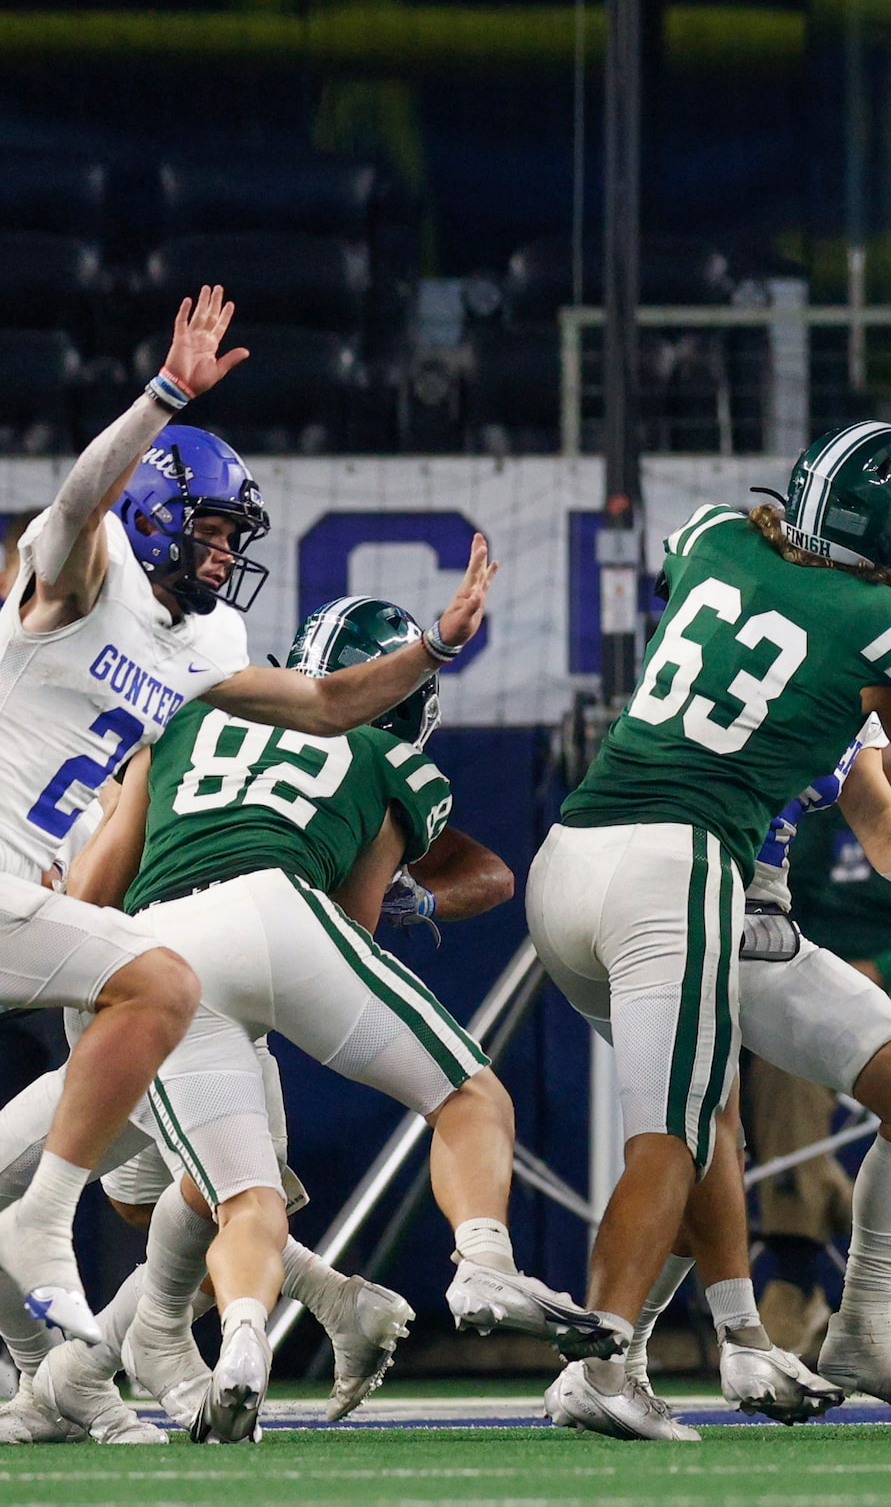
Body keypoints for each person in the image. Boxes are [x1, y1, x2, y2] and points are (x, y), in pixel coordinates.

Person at [0, 288, 483, 1350]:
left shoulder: (210, 641)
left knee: (165, 995)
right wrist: (163, 397)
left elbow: (322, 705)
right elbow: (82, 501)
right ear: (159, 515)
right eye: (211, 527)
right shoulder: (89, 575)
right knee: (162, 985)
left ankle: (49, 1355)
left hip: (33, 889)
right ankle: (44, 1247)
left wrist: (432, 653)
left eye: (234, 535)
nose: (224, 552)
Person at [55, 597, 594, 1441]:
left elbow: (94, 892)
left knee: (239, 1199)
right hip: (281, 910)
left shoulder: (187, 716)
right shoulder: (390, 757)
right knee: (467, 1096)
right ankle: (485, 1262)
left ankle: (238, 1344)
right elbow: (353, 922)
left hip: (151, 953)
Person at [528, 419, 891, 1441]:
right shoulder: (883, 633)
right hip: (678, 875)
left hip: (614, 875)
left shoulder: (719, 541)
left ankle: (808, 1329)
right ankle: (607, 1361)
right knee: (676, 1133)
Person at [609, 723, 891, 1433]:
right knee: (695, 1139)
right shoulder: (774, 729)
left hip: (810, 968)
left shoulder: (885, 772)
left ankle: (834, 1301)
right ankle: (628, 1351)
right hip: (689, 932)